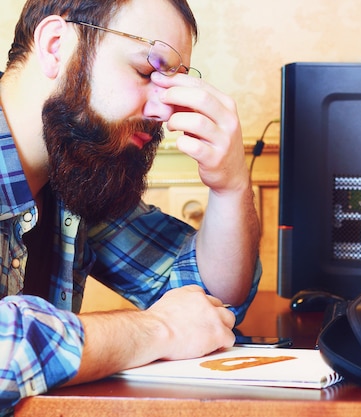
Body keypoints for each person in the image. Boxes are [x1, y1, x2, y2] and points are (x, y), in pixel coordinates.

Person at [0, 0, 262, 413]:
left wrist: (230, 186)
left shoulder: (76, 168)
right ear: (55, 45)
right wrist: (155, 329)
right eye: (145, 72)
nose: (163, 111)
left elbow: (210, 301)